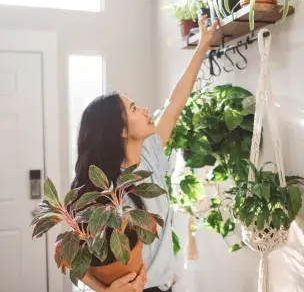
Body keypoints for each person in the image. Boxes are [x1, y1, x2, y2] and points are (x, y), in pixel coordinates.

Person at [71, 16, 217, 292]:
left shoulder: (150, 152)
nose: (145, 110)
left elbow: (174, 104)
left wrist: (202, 48)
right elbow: (74, 256)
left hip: (163, 285)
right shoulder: (104, 190)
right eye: (134, 108)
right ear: (120, 131)